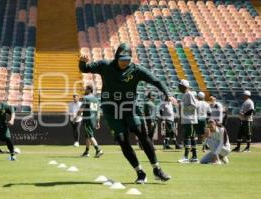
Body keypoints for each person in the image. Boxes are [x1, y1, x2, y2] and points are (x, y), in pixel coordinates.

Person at [79, 43, 176, 183]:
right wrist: (82, 61)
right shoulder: (105, 65)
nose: (125, 62)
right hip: (111, 109)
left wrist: (168, 94)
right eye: (122, 59)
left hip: (130, 107)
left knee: (142, 134)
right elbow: (84, 69)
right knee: (123, 140)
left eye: (127, 60)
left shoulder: (136, 70)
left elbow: (156, 80)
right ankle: (140, 173)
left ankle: (157, 169)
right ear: (117, 57)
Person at [78, 85, 103, 158]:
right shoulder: (96, 99)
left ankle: (98, 150)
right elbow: (98, 111)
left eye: (86, 89)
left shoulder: (86, 98)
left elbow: (82, 107)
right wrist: (98, 121)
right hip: (94, 119)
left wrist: (78, 113)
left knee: (90, 135)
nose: (84, 90)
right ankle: (86, 152)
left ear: (89, 90)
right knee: (87, 136)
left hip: (87, 119)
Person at [177, 79, 199, 163]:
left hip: (190, 119)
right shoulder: (186, 94)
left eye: (180, 86)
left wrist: (182, 106)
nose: (179, 88)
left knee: (187, 137)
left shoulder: (189, 94)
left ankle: (186, 157)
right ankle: (194, 157)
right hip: (188, 119)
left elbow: (194, 106)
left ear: (184, 86)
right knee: (192, 138)